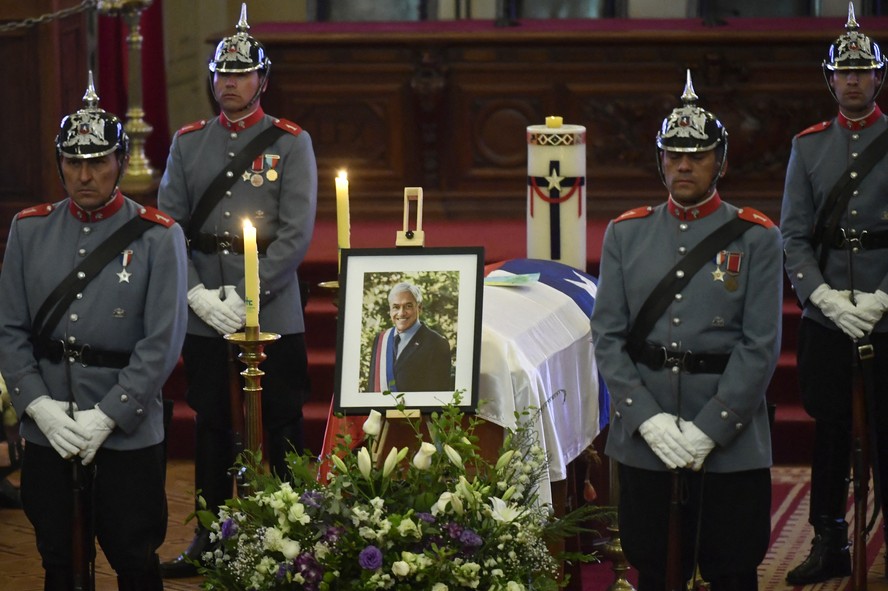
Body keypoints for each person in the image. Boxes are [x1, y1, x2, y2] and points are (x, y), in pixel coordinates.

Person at [590, 71, 783, 590]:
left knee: (733, 566)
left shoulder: (758, 238)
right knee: (653, 566)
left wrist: (710, 428)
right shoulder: (626, 233)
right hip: (645, 434)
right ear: (660, 160)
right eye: (673, 154)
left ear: (719, 161)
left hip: (730, 435)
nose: (683, 164)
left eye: (696, 155)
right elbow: (607, 337)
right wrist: (647, 420)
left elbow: (761, 345)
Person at [0, 73, 188, 590]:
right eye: (74, 162)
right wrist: (36, 405)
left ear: (119, 163)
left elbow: (163, 342)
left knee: (133, 554)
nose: (85, 175)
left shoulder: (157, 236)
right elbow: (10, 328)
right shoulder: (30, 228)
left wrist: (110, 414)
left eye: (98, 161)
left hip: (125, 425)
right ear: (60, 164)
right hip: (50, 423)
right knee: (56, 555)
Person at [157, 3, 317, 578]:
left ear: (262, 80)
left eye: (242, 74)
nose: (230, 84)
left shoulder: (290, 143)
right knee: (211, 425)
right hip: (204, 309)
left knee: (282, 419)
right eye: (223, 74)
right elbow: (169, 225)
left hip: (271, 305)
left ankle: (295, 525)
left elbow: (296, 232)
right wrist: (197, 295)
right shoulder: (188, 141)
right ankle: (210, 532)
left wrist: (250, 294)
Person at [780, 4, 888, 585]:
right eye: (843, 72)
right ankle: (829, 541)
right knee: (828, 430)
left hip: (886, 313)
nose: (852, 79)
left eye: (862, 71)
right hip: (827, 316)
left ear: (878, 77)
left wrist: (881, 299)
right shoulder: (808, 145)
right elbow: (792, 235)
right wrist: (821, 297)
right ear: (829, 79)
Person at [368, 282, 453, 392]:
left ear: (419, 308)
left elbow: (437, 395)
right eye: (396, 307)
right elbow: (372, 387)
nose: (401, 313)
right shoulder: (380, 340)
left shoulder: (436, 343)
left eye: (408, 306)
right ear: (390, 310)